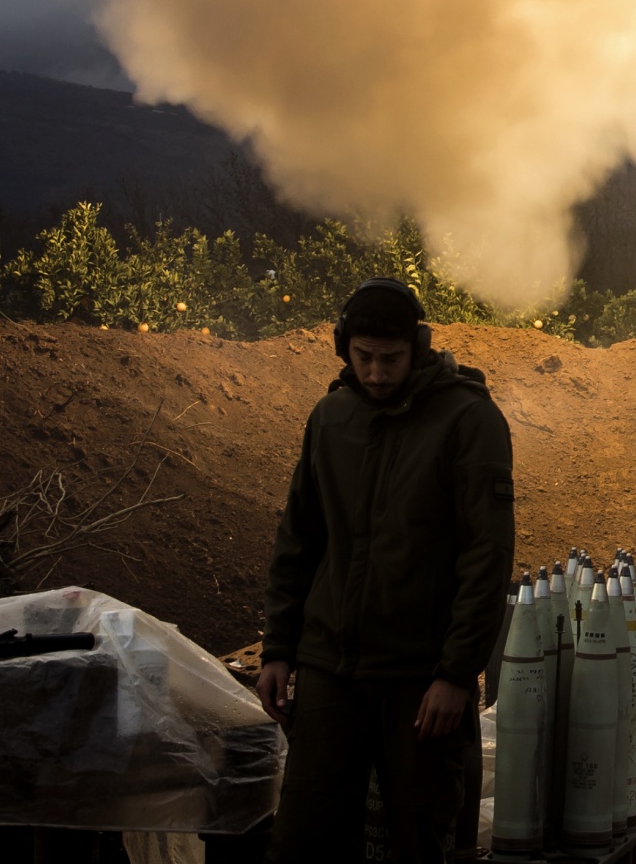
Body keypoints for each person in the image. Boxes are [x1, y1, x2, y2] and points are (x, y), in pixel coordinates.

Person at [254, 278, 515, 863]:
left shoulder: (468, 420)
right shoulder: (331, 418)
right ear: (343, 347)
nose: (375, 373)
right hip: (329, 668)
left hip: (418, 678)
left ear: (418, 347)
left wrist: (456, 674)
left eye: (390, 359)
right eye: (363, 357)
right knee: (302, 840)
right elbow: (299, 540)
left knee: (419, 841)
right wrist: (278, 649)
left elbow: (487, 555)